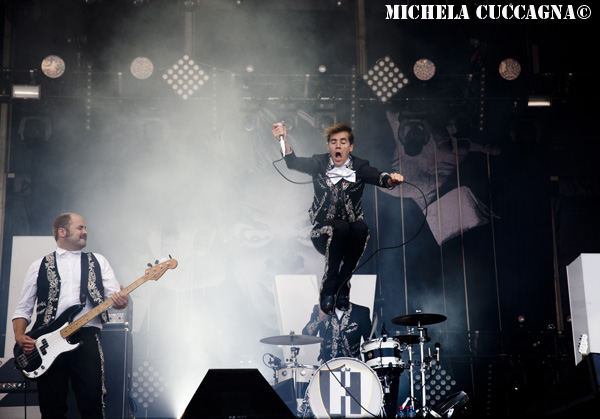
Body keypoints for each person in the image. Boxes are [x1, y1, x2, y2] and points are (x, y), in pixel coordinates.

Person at [271, 121, 403, 315]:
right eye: (333, 142)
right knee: (340, 226)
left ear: (351, 146)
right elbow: (294, 163)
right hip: (323, 234)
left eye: (343, 142)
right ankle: (328, 291)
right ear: (328, 146)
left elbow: (378, 176)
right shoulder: (318, 163)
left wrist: (391, 180)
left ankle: (343, 289)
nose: (338, 146)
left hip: (350, 239)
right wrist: (282, 140)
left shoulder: (360, 166)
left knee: (361, 228)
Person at [12, 212, 129, 419]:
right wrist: (20, 336)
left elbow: (115, 298)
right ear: (62, 232)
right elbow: (23, 308)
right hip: (47, 341)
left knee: (92, 401)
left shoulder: (98, 261)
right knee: (52, 406)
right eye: (80, 227)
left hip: (86, 337)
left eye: (85, 228)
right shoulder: (39, 265)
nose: (85, 232)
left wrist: (122, 302)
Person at [302, 301, 372, 362]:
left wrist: (369, 366)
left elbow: (370, 342)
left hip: (354, 365)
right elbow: (306, 335)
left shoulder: (361, 311)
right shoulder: (321, 309)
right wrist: (320, 317)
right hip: (328, 365)